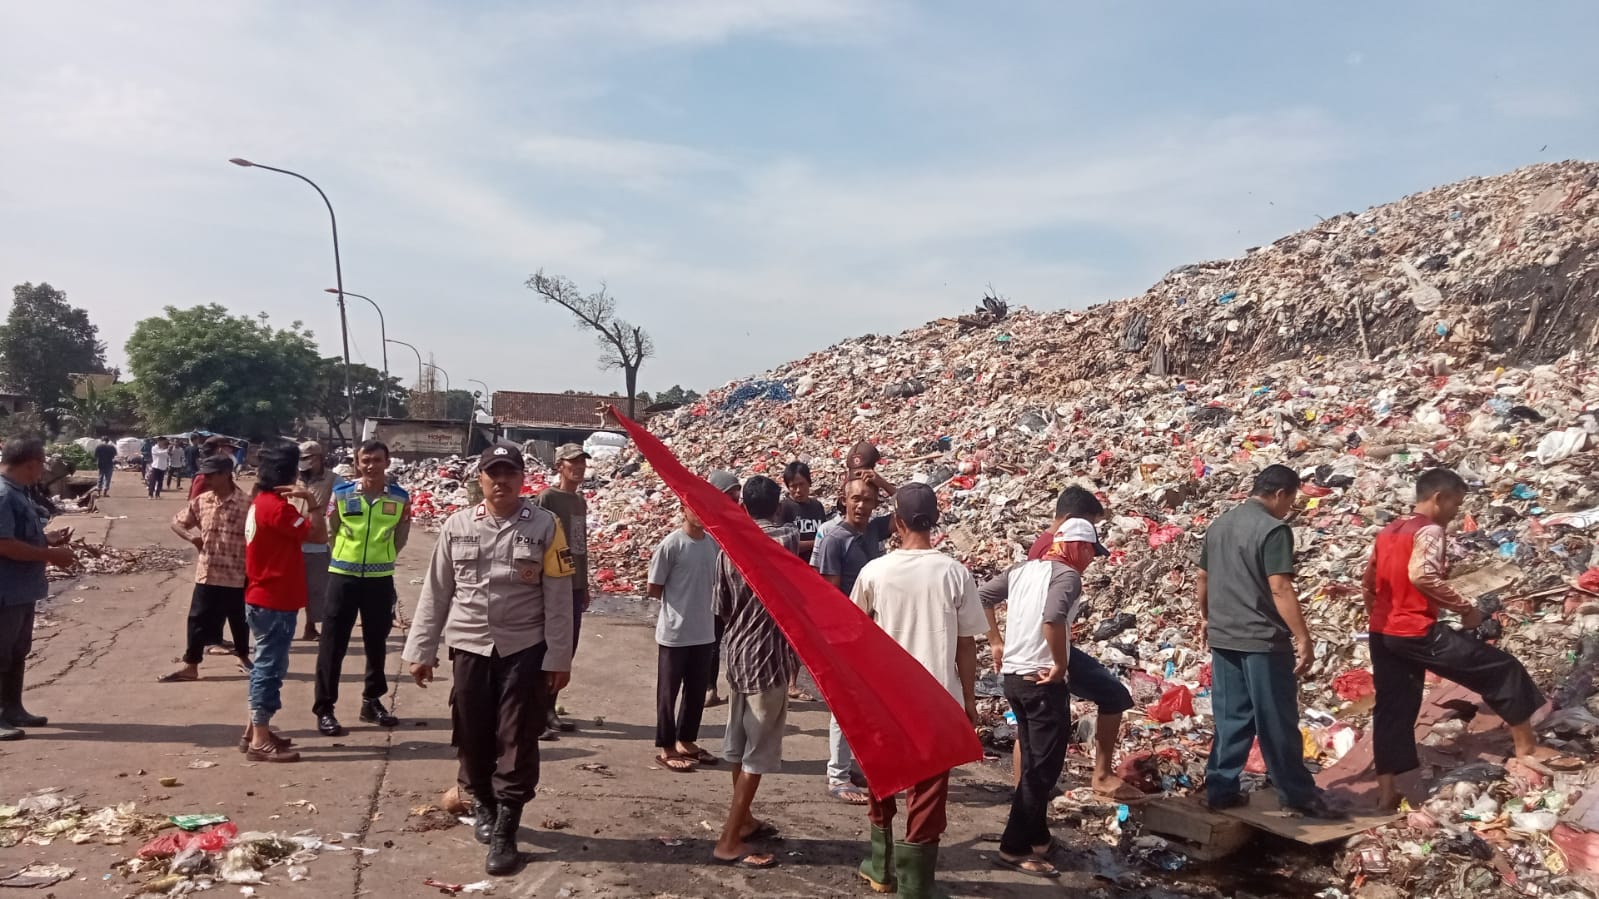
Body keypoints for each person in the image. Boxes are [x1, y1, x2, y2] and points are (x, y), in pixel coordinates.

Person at [403, 442, 575, 877]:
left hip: (524, 646)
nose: (501, 481)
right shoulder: (457, 525)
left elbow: (558, 597)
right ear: (479, 479)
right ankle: (482, 801)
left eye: (509, 473)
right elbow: (437, 591)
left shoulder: (546, 526)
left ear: (522, 479)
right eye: (492, 473)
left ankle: (506, 828)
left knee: (517, 736)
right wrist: (422, 651)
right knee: (472, 731)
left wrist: (559, 656)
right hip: (470, 645)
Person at [1364, 468, 1558, 811]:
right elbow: (1421, 575)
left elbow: (1368, 583)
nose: (1457, 511)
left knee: (1392, 708)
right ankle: (1527, 747)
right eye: (1457, 502)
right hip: (1415, 631)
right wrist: (1465, 608)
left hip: (1383, 633)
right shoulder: (1429, 530)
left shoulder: (1389, 531)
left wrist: (1379, 619)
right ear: (1439, 498)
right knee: (1501, 669)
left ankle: (1386, 791)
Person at [850, 483, 984, 897]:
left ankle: (880, 867)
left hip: (885, 697)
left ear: (897, 522)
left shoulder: (875, 571)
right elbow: (966, 644)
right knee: (928, 793)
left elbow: (854, 634)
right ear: (937, 520)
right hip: (937, 699)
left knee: (882, 777)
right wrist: (969, 701)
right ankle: (915, 885)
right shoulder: (954, 573)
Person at [1199, 464, 1342, 818]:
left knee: (1231, 717)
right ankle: (1297, 794)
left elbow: (1203, 578)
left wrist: (1206, 618)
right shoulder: (1273, 529)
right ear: (1281, 494)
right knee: (1276, 718)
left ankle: (1220, 789)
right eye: (1290, 501)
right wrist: (1303, 638)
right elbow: (1279, 587)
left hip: (1225, 636)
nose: (1289, 509)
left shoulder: (1219, 525)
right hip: (1261, 639)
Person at [979, 514, 1093, 878]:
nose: (1091, 558)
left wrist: (997, 641)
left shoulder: (1023, 570)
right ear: (1076, 546)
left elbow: (981, 596)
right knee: (1042, 769)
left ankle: (1039, 836)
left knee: (1032, 760)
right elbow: (1053, 618)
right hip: (1042, 681)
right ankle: (1013, 847)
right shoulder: (1067, 576)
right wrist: (1060, 664)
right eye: (1090, 550)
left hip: (1014, 678)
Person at [1023, 487, 1140, 802]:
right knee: (1114, 695)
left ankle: (1025, 790)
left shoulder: (1042, 546)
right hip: (1047, 648)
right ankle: (1100, 775)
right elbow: (1049, 616)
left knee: (1032, 720)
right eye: (1088, 526)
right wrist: (1059, 662)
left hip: (1034, 647)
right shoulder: (1053, 551)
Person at [711, 475, 799, 870]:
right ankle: (728, 839)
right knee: (756, 753)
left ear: (743, 506)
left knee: (739, 741)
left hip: (738, 656)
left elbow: (723, 607)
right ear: (777, 506)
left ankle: (743, 821)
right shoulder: (784, 541)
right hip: (770, 660)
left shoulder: (726, 549)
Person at [314, 440, 408, 735]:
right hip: (343, 577)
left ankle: (372, 701)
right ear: (357, 463)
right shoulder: (341, 494)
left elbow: (400, 536)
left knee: (377, 643)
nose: (371, 465)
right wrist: (345, 557)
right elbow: (332, 530)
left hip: (380, 580)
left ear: (387, 462)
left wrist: (384, 557)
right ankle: (325, 708)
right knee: (333, 644)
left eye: (377, 460)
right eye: (365, 460)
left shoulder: (400, 498)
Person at [814, 470, 895, 805]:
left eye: (868, 499)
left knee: (867, 705)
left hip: (870, 631)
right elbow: (828, 594)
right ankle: (837, 774)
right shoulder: (835, 538)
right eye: (856, 498)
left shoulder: (873, 530)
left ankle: (855, 766)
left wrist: (882, 481)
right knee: (845, 706)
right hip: (845, 633)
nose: (861, 505)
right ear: (843, 500)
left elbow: (910, 510)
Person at [242, 440, 326, 763]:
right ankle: (260, 738)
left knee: (265, 664)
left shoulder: (261, 502)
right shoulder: (277, 509)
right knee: (269, 668)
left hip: (265, 595)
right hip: (275, 598)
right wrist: (313, 504)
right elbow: (318, 536)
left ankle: (254, 731)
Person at [0, 438, 76, 741]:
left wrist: (47, 541)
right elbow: (3, 544)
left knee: (18, 651)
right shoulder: (4, 495)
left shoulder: (18, 493)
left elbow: (20, 536)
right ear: (30, 463)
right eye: (42, 463)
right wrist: (51, 555)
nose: (42, 470)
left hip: (22, 589)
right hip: (5, 591)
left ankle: (13, 708)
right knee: (0, 653)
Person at [161, 455, 252, 684]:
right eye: (205, 475)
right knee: (197, 619)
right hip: (208, 572)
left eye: (211, 475)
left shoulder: (247, 504)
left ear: (226, 474)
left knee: (239, 619)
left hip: (237, 572)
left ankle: (243, 658)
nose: (207, 479)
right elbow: (177, 522)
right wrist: (192, 538)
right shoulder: (203, 501)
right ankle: (191, 665)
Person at [647, 504, 720, 772]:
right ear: (682, 510)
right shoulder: (672, 545)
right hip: (675, 633)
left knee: (696, 690)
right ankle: (666, 747)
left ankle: (686, 741)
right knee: (668, 692)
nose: (701, 512)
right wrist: (680, 604)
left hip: (704, 631)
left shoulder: (712, 545)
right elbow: (654, 588)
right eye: (694, 507)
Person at [535, 443, 590, 739]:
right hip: (553, 585)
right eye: (573, 463)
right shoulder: (547, 498)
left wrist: (584, 583)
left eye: (582, 463)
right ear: (560, 466)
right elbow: (539, 542)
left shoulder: (579, 501)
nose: (579, 468)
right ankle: (537, 714)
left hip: (574, 584)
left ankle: (550, 710)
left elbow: (580, 546)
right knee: (549, 648)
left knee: (567, 650)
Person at [777, 461, 827, 703]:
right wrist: (815, 543)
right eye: (793, 486)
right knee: (788, 632)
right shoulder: (785, 509)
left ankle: (792, 683)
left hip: (812, 576)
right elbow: (784, 543)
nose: (798, 490)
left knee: (804, 634)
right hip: (790, 578)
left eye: (801, 485)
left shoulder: (817, 507)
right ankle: (782, 680)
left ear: (810, 482)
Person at [294, 441, 340, 643]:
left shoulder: (333, 479)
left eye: (308, 458)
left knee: (315, 587)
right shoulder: (293, 479)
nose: (304, 463)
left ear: (319, 458)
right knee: (291, 586)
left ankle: (310, 626)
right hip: (292, 540)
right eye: (301, 459)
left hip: (318, 541)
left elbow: (338, 506)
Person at [704, 469, 741, 708]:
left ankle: (714, 688)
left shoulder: (732, 520)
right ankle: (709, 689)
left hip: (730, 590)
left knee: (721, 641)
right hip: (713, 590)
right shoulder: (708, 522)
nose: (735, 503)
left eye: (737, 498)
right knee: (713, 642)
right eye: (731, 497)